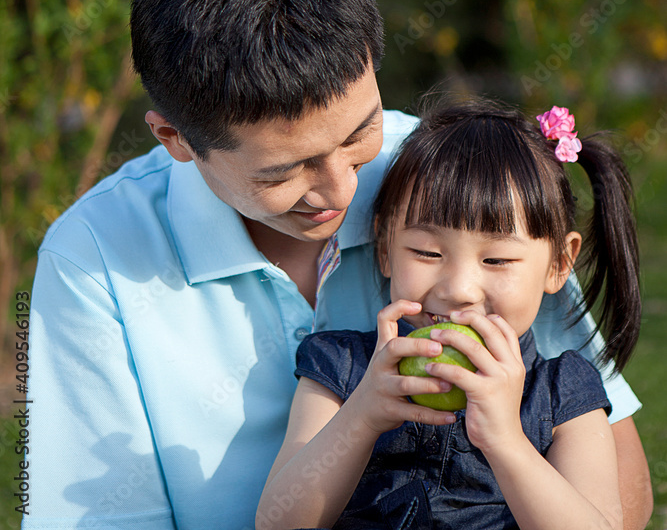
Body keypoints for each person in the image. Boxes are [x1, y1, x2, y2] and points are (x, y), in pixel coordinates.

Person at [24, 0, 651, 530]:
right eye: (283, 172)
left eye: (359, 134)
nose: (340, 193)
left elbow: (618, 492)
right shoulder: (95, 261)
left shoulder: (455, 183)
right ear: (177, 141)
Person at [256, 100, 646, 530]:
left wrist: (505, 442)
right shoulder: (342, 368)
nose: (458, 290)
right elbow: (280, 522)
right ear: (385, 247)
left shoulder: (563, 394)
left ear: (558, 264)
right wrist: (363, 414)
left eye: (496, 260)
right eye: (426, 252)